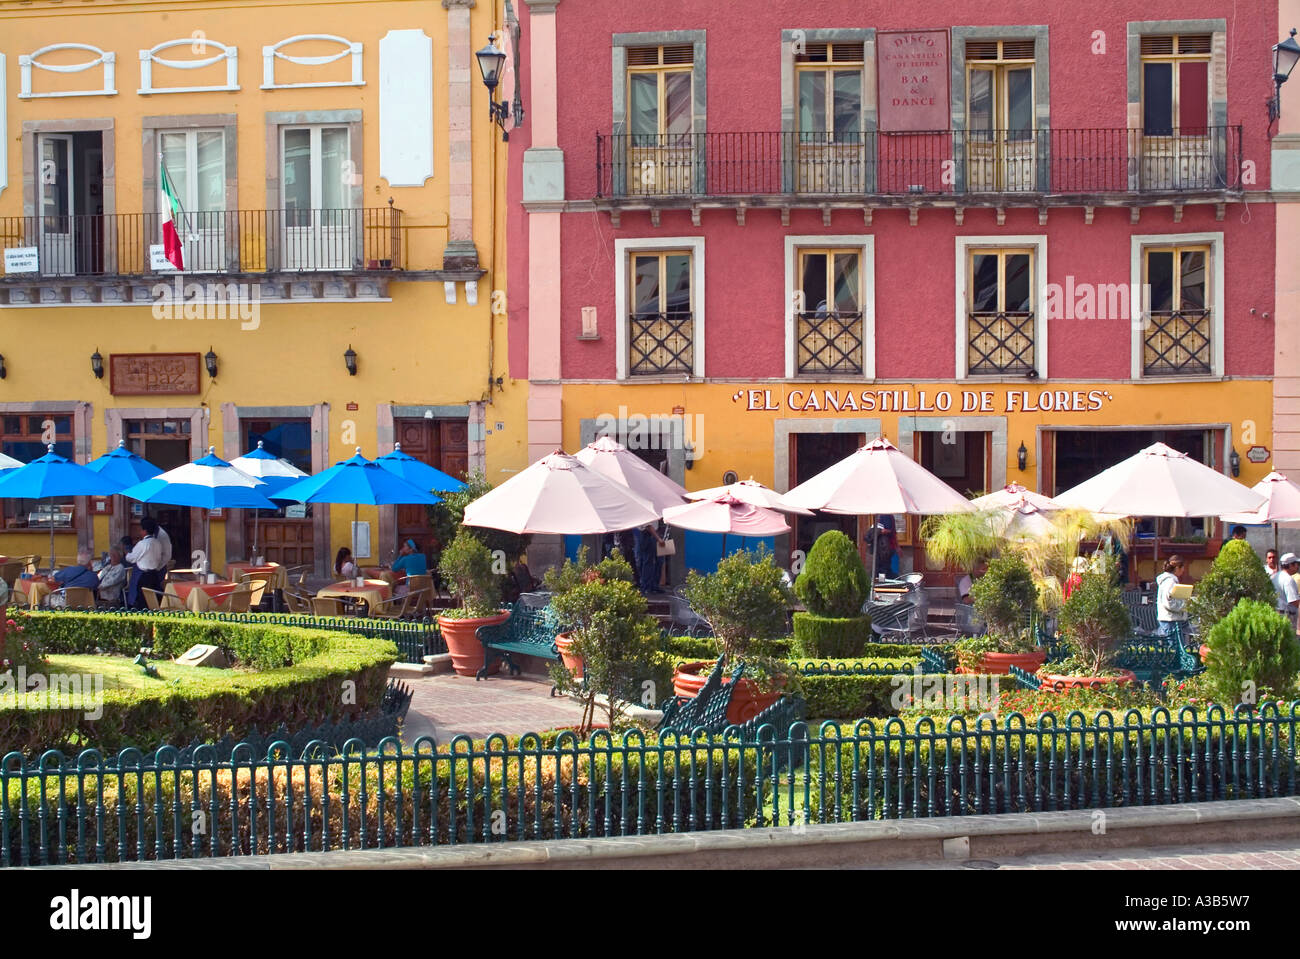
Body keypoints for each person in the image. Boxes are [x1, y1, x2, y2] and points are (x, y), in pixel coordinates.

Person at [125, 518, 166, 608]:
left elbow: (131, 558)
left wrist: (127, 553)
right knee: (153, 601)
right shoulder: (157, 543)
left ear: (144, 531)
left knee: (143, 601)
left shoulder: (142, 544)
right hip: (155, 574)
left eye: (141, 529)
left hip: (144, 575)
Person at [1155, 555, 1189, 637]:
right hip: (1170, 620)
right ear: (1177, 568)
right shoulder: (1170, 582)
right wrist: (1185, 605)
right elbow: (1168, 602)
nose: (1184, 570)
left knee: (1174, 646)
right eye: (1182, 567)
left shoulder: (1169, 581)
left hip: (1169, 619)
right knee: (1175, 647)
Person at [634, 523, 663, 594]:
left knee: (657, 561)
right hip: (647, 534)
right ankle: (646, 586)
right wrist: (658, 538)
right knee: (648, 561)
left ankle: (653, 586)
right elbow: (648, 526)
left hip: (653, 533)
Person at [1273, 552, 1300, 622]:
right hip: (1286, 617)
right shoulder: (1288, 580)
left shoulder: (1275, 576)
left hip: (1276, 613)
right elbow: (1294, 601)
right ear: (1290, 565)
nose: (1298, 567)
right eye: (1297, 564)